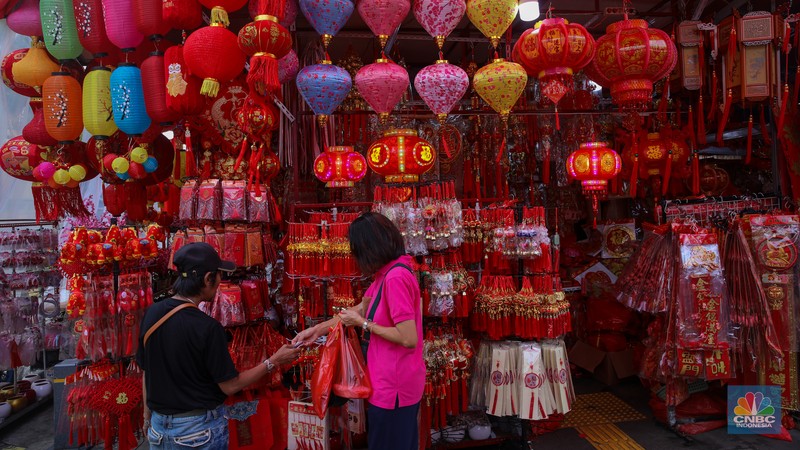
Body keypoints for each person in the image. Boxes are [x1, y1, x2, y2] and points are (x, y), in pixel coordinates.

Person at [136, 242, 300, 449]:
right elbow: (230, 386)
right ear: (207, 279)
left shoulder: (153, 313)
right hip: (198, 432)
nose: (221, 280)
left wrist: (146, 416)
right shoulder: (208, 327)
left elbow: (146, 371)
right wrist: (273, 361)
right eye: (219, 275)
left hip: (159, 429)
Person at [294, 212, 425, 450]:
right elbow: (362, 308)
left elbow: (408, 338)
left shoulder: (395, 278)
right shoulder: (386, 274)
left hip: (394, 388)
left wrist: (363, 325)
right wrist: (318, 329)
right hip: (388, 383)